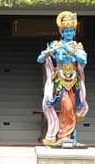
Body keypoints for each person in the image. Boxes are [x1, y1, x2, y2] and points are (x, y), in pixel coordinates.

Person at [38, 11, 88, 147]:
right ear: (61, 32)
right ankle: (62, 135)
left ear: (74, 32)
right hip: (60, 80)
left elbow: (83, 60)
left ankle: (71, 137)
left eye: (71, 31)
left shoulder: (77, 46)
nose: (69, 33)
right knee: (66, 106)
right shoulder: (56, 45)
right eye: (66, 31)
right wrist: (47, 53)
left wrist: (68, 48)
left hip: (74, 81)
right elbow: (40, 59)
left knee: (71, 109)